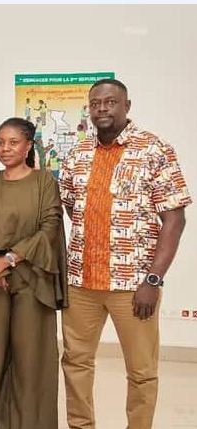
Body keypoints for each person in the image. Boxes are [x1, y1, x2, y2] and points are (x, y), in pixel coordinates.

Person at [60, 78, 191, 429]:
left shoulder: (154, 150)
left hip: (134, 286)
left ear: (127, 106)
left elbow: (174, 219)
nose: (102, 108)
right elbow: (72, 207)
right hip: (81, 283)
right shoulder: (77, 154)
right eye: (96, 103)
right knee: (75, 363)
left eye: (110, 102)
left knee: (142, 371)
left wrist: (153, 279)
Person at [0, 117, 68, 429]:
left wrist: (9, 259)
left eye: (13, 142)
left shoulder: (43, 182)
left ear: (28, 146)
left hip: (32, 279)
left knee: (30, 361)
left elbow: (50, 227)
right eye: (0, 142)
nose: (5, 148)